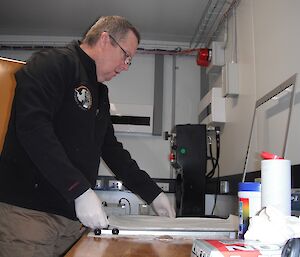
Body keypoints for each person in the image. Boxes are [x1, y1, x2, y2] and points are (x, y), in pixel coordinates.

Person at [0, 15, 175, 257]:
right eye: (126, 56)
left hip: (71, 221)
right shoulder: (53, 63)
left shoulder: (100, 94)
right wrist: (79, 189)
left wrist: (153, 193)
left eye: (129, 61)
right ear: (105, 39)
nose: (126, 66)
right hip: (30, 215)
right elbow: (33, 128)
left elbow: (112, 150)